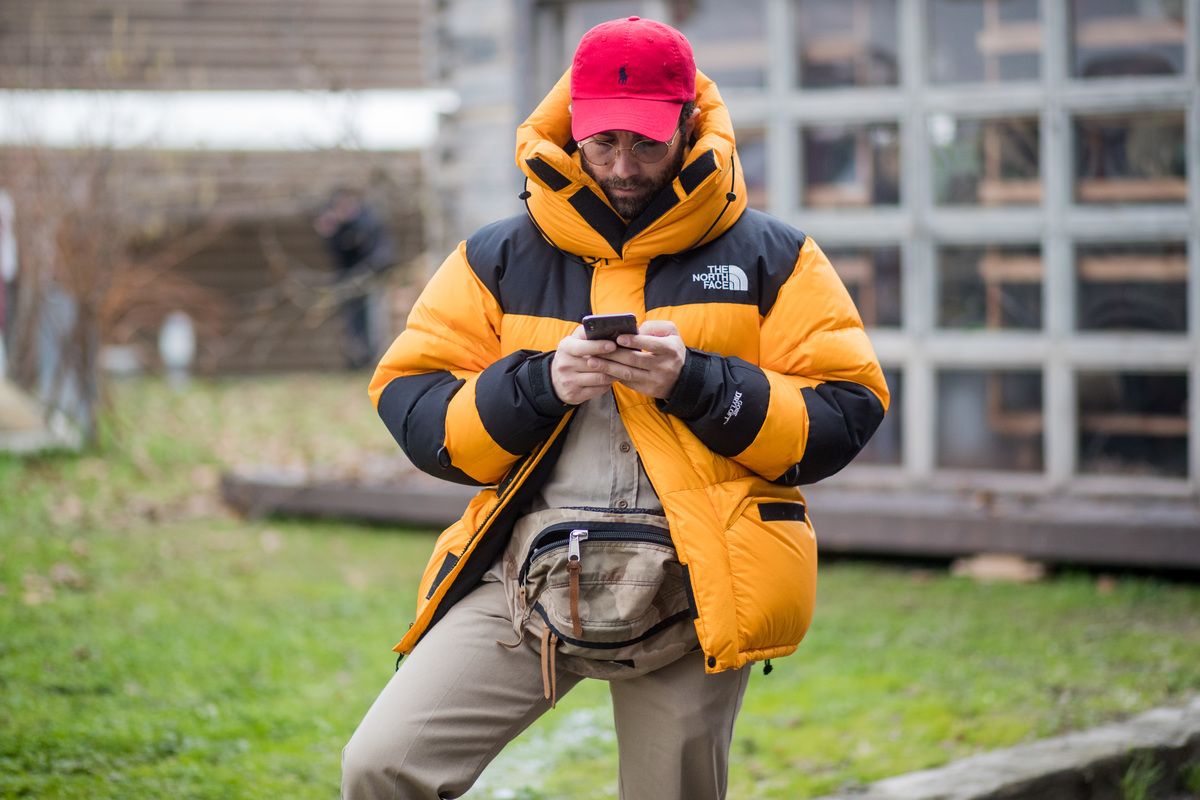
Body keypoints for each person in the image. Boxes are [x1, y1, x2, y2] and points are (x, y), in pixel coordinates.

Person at [345, 16, 888, 800]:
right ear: (572, 131)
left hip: (698, 592)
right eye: (603, 144)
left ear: (690, 127)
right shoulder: (496, 255)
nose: (623, 166)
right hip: (520, 581)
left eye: (646, 143)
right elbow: (412, 402)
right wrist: (538, 384)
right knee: (379, 765)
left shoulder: (775, 257)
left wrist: (697, 382)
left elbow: (847, 410)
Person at [314, 187, 394, 369]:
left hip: (370, 277)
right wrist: (332, 233)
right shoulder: (340, 228)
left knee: (372, 319)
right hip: (349, 280)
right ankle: (358, 360)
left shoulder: (367, 220)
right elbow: (339, 255)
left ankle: (373, 359)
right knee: (352, 322)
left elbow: (380, 252)